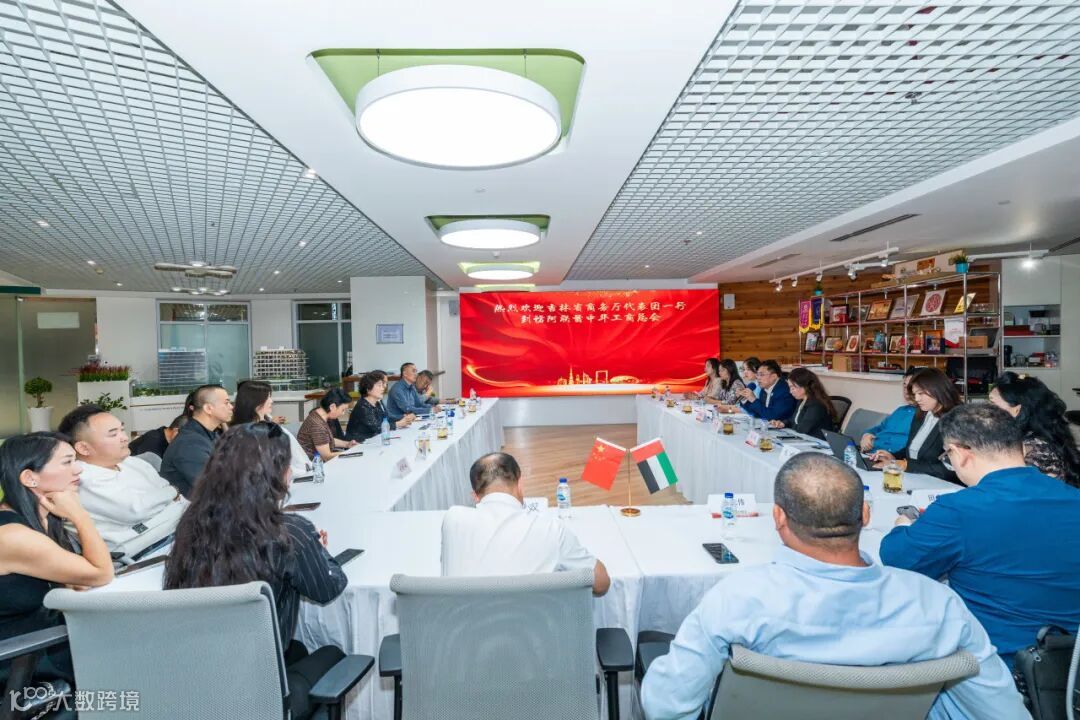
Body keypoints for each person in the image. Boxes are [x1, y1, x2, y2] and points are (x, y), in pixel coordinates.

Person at [640, 453, 1028, 720]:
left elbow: (666, 706)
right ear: (866, 514)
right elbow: (1000, 710)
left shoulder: (738, 598)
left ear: (778, 518)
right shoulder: (939, 605)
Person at [163, 422, 347, 720]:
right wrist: (317, 551)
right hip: (261, 689)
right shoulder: (289, 532)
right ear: (279, 473)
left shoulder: (190, 527)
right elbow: (328, 588)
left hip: (197, 681)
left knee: (298, 650)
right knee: (333, 653)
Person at [879, 404, 1080, 670]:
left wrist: (902, 525)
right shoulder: (1073, 497)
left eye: (948, 455)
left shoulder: (959, 509)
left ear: (961, 454)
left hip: (995, 666)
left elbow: (898, 560)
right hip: (1069, 666)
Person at [0, 433, 114, 681]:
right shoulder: (12, 536)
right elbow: (100, 574)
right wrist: (80, 516)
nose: (78, 469)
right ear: (30, 478)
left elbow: (79, 583)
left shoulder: (41, 519)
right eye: (67, 462)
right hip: (23, 656)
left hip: (45, 636)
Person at [441, 452, 610, 596]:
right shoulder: (552, 530)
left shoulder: (452, 520)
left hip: (464, 625)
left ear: (475, 496)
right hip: (536, 626)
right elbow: (601, 584)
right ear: (520, 485)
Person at [57, 405, 188, 558]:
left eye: (122, 430)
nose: (124, 438)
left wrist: (167, 501)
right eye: (113, 434)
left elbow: (174, 500)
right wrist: (173, 492)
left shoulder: (132, 462)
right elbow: (136, 510)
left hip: (179, 531)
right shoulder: (80, 477)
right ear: (84, 448)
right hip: (146, 552)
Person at [989, 371, 1080, 486]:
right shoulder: (1028, 437)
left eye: (992, 404)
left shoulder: (1036, 448)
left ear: (1017, 410)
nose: (986, 409)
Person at [870, 368, 960, 482]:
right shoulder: (922, 413)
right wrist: (893, 457)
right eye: (915, 394)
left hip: (941, 484)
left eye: (921, 393)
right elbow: (912, 450)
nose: (917, 399)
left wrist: (904, 465)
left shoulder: (957, 420)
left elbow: (950, 469)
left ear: (937, 390)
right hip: (915, 479)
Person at [160, 384, 234, 498]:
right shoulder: (190, 444)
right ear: (208, 408)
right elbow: (213, 488)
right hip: (193, 506)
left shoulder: (209, 435)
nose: (231, 407)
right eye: (226, 403)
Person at [232, 380, 311, 478]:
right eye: (268, 397)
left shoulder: (269, 426)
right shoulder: (249, 435)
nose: (271, 401)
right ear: (255, 402)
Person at [859, 366, 918, 453]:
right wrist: (866, 435)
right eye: (904, 386)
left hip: (887, 457)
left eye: (910, 387)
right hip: (870, 453)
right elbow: (880, 428)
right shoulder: (900, 410)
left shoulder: (926, 417)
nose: (906, 392)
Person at [768, 367, 837, 440]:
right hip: (805, 439)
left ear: (804, 386)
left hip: (818, 442)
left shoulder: (816, 404)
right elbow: (793, 420)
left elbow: (802, 429)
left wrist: (789, 425)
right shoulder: (802, 400)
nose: (790, 391)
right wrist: (783, 423)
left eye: (793, 387)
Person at [345, 372, 413, 443]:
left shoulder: (377, 403)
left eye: (382, 385)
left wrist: (404, 418)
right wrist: (398, 424)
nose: (383, 388)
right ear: (368, 389)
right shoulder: (362, 406)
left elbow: (386, 418)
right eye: (379, 385)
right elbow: (377, 428)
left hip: (373, 440)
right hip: (357, 444)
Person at [296, 388, 356, 461]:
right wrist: (351, 453)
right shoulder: (318, 426)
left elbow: (326, 440)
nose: (343, 413)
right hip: (313, 464)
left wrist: (347, 444)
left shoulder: (317, 413)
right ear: (332, 407)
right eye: (342, 410)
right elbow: (327, 456)